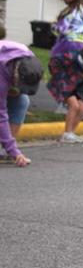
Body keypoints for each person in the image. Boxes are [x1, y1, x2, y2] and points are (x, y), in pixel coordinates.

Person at [0, 26, 43, 166]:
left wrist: (17, 89)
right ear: (16, 73)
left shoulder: (29, 57)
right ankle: (11, 150)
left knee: (22, 100)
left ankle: (6, 151)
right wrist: (15, 152)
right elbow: (1, 116)